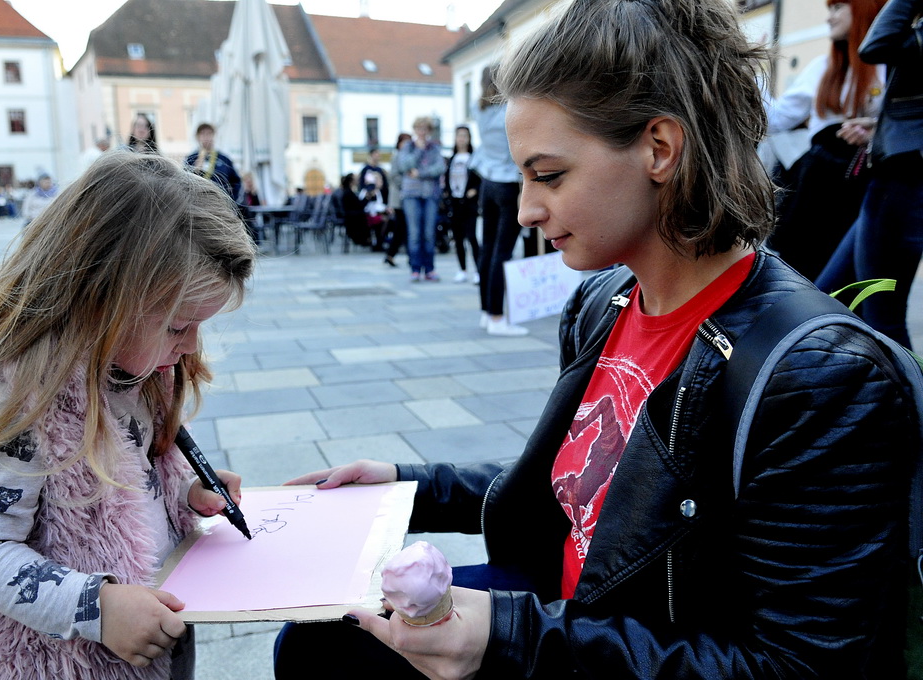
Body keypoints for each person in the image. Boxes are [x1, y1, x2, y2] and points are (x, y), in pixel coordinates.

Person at [272, 0, 918, 677]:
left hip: (615, 648)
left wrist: (510, 639)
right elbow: (597, 484)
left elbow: (799, 666)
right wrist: (410, 485)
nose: (525, 209)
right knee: (315, 636)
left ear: (659, 149)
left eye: (548, 175)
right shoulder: (604, 301)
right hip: (569, 619)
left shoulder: (820, 377)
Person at [0, 151, 257, 680]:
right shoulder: (18, 396)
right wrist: (98, 608)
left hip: (150, 637)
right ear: (102, 298)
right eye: (176, 326)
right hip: (69, 661)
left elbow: (132, 469)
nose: (191, 346)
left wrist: (186, 490)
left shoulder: (131, 369)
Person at [816, 0, 923, 349]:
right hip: (896, 178)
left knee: (882, 318)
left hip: (903, 180)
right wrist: (879, 128)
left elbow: (876, 44)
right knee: (830, 295)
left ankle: (908, 400)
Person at [764, 0, 887, 282]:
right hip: (817, 190)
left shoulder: (891, 69)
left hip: (866, 192)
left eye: (837, 8)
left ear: (863, 10)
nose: (829, 18)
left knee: (853, 283)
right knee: (806, 277)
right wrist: (748, 73)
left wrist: (876, 131)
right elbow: (776, 118)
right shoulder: (822, 67)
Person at [473, 66, 529, 336]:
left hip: (487, 181)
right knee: (502, 252)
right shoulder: (509, 110)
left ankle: (487, 312)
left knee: (488, 249)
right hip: (507, 183)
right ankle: (497, 317)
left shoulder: (479, 109)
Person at [396, 117, 445, 282]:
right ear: (415, 130)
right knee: (415, 233)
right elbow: (403, 166)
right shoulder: (408, 147)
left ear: (429, 131)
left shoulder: (435, 148)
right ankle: (415, 268)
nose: (422, 132)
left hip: (430, 194)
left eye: (425, 128)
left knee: (429, 233)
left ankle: (429, 269)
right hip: (411, 195)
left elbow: (440, 167)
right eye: (419, 128)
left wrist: (420, 173)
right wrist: (418, 151)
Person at [443, 125, 482, 284]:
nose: (462, 139)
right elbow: (447, 180)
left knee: (472, 237)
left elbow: (481, 178)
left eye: (465, 135)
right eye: (459, 135)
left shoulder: (474, 157)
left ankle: (479, 271)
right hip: (455, 203)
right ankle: (462, 270)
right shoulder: (451, 159)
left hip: (469, 204)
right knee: (458, 238)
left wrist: (475, 190)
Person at [184, 123, 241, 203]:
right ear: (197, 137)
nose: (206, 137)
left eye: (209, 133)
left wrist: (232, 200)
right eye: (203, 134)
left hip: (221, 203)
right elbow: (184, 181)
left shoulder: (223, 159)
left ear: (214, 136)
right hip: (199, 203)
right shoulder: (191, 159)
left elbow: (236, 182)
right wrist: (195, 169)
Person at [382, 132, 412, 268]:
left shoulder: (409, 157)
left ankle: (392, 254)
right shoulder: (397, 157)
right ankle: (393, 254)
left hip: (405, 197)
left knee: (402, 228)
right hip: (399, 199)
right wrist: (408, 185)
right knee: (402, 228)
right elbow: (394, 176)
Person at [339, 172, 371, 247]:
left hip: (351, 216)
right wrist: (367, 198)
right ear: (351, 182)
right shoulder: (348, 193)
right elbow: (359, 205)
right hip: (352, 218)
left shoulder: (347, 192)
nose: (358, 181)